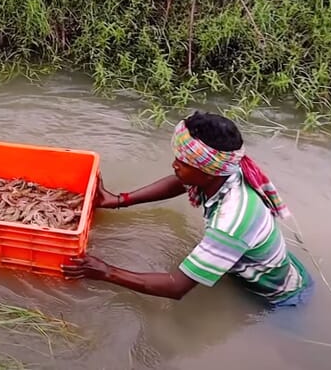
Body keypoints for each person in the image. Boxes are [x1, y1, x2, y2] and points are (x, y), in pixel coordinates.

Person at [61, 111, 313, 308]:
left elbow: (176, 287)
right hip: (273, 266)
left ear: (208, 169)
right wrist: (118, 200)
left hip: (277, 295)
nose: (174, 164)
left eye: (183, 161)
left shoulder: (231, 222)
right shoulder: (227, 171)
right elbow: (181, 181)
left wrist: (105, 272)